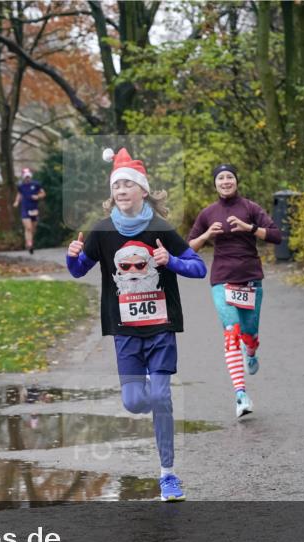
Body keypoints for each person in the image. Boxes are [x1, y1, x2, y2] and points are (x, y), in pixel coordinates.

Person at [67, 147, 207, 501]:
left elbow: (199, 267)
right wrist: (71, 258)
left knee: (160, 396)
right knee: (133, 402)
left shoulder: (161, 229)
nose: (122, 190)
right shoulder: (101, 231)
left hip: (160, 327)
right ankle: (153, 399)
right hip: (125, 331)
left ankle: (168, 476)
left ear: (143, 190)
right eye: (117, 185)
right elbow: (80, 269)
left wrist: (170, 259)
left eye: (129, 184)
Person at [188, 163, 282, 418]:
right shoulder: (208, 213)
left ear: (236, 181)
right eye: (221, 178)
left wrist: (248, 227)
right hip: (221, 280)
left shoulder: (250, 208)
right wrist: (207, 234)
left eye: (230, 177)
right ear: (215, 183)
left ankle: (251, 351)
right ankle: (241, 396)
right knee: (231, 332)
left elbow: (276, 236)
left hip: (250, 278)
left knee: (249, 335)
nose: (226, 181)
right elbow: (188, 248)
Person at [13, 167, 46, 255]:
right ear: (23, 177)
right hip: (25, 209)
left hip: (34, 209)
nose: (27, 178)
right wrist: (16, 202)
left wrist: (38, 196)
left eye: (28, 176)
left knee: (33, 229)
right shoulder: (21, 186)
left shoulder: (36, 184)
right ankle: (29, 244)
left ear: (30, 176)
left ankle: (29, 241)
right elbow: (19, 194)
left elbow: (43, 193)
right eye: (26, 176)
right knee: (28, 228)